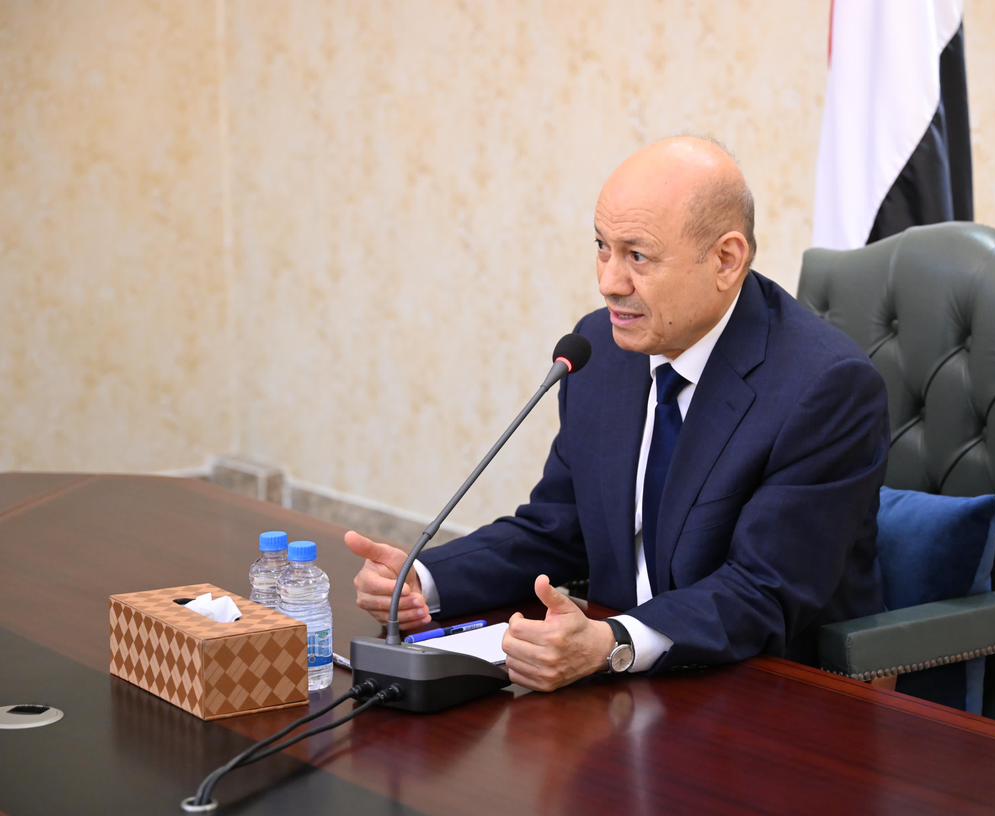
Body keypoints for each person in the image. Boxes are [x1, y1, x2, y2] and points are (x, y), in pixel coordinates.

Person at [348, 137, 889, 692]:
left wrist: (612, 643)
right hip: (623, 683)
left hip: (769, 693)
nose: (609, 282)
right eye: (603, 248)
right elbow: (558, 527)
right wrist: (423, 578)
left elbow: (761, 591)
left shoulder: (825, 389)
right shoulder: (599, 351)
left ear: (726, 260)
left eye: (638, 256)